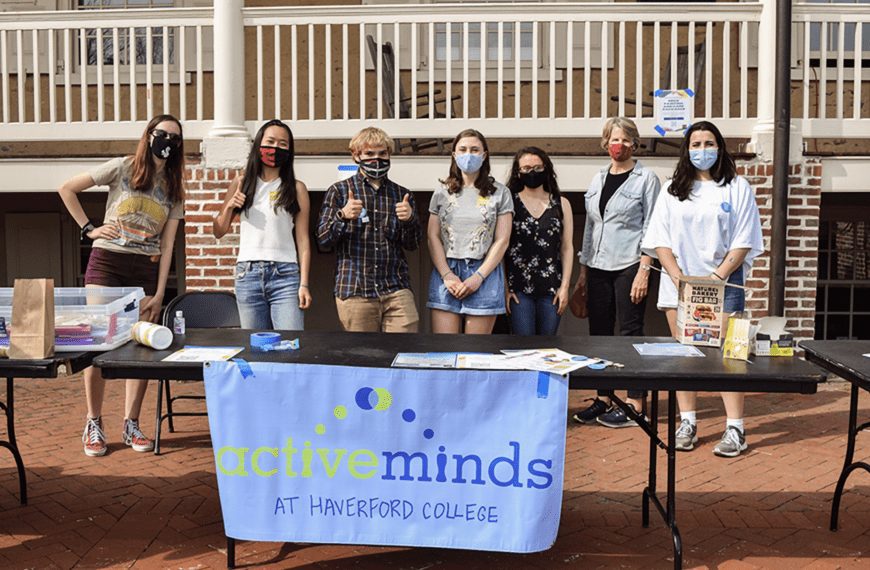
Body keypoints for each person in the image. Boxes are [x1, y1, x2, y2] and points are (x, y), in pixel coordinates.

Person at [58, 114, 185, 457]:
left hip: (145, 268)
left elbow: (169, 245)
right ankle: (94, 421)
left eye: (175, 137)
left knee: (141, 347)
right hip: (107, 262)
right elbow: (67, 189)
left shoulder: (174, 188)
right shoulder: (123, 167)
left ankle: (131, 423)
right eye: (162, 134)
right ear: (149, 135)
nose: (168, 141)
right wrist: (89, 229)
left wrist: (160, 292)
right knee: (99, 342)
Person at [641, 120, 763, 458]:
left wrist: (717, 277)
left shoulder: (737, 187)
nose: (702, 150)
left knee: (728, 358)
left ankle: (735, 428)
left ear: (720, 148)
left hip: (724, 285)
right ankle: (688, 422)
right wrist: (678, 277)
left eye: (709, 143)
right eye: (695, 144)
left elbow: (744, 240)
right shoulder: (672, 190)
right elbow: (659, 239)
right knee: (685, 357)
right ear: (686, 149)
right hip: (678, 287)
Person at [572, 117, 661, 429]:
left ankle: (636, 402)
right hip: (597, 266)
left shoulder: (646, 179)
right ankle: (605, 397)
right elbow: (591, 227)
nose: (618, 145)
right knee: (599, 334)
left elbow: (653, 225)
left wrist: (644, 270)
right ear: (605, 142)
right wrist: (583, 271)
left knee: (629, 333)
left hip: (629, 265)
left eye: (625, 140)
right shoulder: (597, 178)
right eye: (613, 139)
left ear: (634, 143)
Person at [316, 127, 421, 332]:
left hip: (396, 288)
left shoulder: (402, 194)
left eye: (382, 153)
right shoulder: (339, 191)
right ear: (356, 156)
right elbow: (323, 240)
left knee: (403, 352)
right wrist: (342, 216)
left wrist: (409, 219)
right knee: (363, 357)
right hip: (356, 289)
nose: (377, 159)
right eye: (370, 154)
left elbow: (413, 244)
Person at [213, 120, 312, 330]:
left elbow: (303, 240)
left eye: (283, 144)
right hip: (247, 274)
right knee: (255, 347)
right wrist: (230, 206)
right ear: (259, 144)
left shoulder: (296, 188)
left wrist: (303, 284)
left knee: (289, 344)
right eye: (270, 141)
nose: (276, 147)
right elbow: (219, 231)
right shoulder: (241, 183)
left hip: (285, 275)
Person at [427, 129, 513, 334]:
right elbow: (432, 236)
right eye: (463, 149)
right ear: (454, 155)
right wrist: (447, 275)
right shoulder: (441, 193)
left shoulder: (500, 193)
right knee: (445, 350)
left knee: (475, 351)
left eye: (475, 150)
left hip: (484, 273)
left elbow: (502, 240)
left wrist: (478, 277)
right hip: (446, 272)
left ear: (484, 155)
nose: (469, 154)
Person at [505, 147, 573, 335]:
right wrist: (504, 288)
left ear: (546, 169)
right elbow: (501, 246)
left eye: (537, 167)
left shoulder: (561, 204)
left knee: (548, 347)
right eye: (526, 168)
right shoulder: (509, 202)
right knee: (524, 345)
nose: (532, 172)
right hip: (518, 289)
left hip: (552, 289)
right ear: (518, 172)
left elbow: (567, 247)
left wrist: (565, 287)